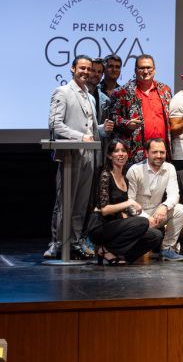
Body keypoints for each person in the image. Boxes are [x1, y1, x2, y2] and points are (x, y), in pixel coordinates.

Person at [45, 55, 114, 259]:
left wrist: (101, 129)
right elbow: (55, 125)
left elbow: (89, 129)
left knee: (81, 203)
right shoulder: (63, 92)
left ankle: (74, 242)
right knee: (65, 202)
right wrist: (80, 137)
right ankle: (57, 243)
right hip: (70, 155)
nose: (85, 72)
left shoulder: (90, 97)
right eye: (81, 68)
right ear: (72, 69)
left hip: (89, 156)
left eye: (88, 69)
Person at [89, 139, 163, 264]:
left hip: (116, 225)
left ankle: (122, 256)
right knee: (142, 222)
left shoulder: (124, 178)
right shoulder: (106, 175)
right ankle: (105, 249)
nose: (121, 154)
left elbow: (123, 211)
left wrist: (133, 214)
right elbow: (105, 210)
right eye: (116, 151)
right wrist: (129, 202)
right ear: (109, 155)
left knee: (156, 235)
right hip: (100, 226)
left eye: (123, 151)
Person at [126, 138, 183, 261]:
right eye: (155, 152)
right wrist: (146, 218)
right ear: (146, 153)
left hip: (157, 213)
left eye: (162, 152)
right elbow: (129, 203)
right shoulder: (134, 170)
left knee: (180, 209)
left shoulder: (169, 168)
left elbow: (174, 194)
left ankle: (167, 248)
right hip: (136, 215)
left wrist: (164, 206)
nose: (159, 156)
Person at [111, 54, 173, 164]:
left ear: (154, 70)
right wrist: (127, 123)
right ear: (135, 70)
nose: (145, 71)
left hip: (162, 152)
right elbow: (112, 117)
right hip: (137, 152)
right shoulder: (122, 92)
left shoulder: (165, 90)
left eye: (149, 68)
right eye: (142, 68)